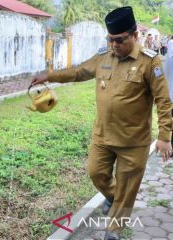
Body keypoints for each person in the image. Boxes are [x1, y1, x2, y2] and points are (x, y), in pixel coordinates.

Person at [31, 6, 172, 240]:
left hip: (133, 142)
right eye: (110, 40)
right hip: (103, 136)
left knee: (127, 188)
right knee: (96, 173)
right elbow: (78, 72)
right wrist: (49, 76)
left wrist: (165, 137)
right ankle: (116, 199)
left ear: (135, 35)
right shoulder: (104, 56)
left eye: (119, 40)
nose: (114, 45)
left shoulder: (150, 62)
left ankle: (113, 231)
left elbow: (164, 102)